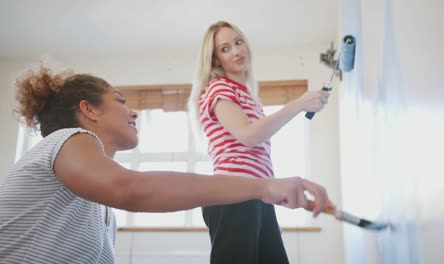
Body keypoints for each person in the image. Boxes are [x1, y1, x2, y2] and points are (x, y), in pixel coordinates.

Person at [0, 64, 333, 264]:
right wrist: (264, 186)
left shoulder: (101, 217)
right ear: (88, 110)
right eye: (120, 101)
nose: (133, 112)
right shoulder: (64, 141)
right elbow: (133, 188)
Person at [188, 21, 333, 264]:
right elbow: (248, 136)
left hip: (255, 194)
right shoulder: (218, 88)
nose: (236, 51)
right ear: (215, 60)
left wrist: (271, 190)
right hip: (232, 193)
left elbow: (255, 157)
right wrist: (299, 104)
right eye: (225, 49)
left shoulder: (247, 97)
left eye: (238, 42)